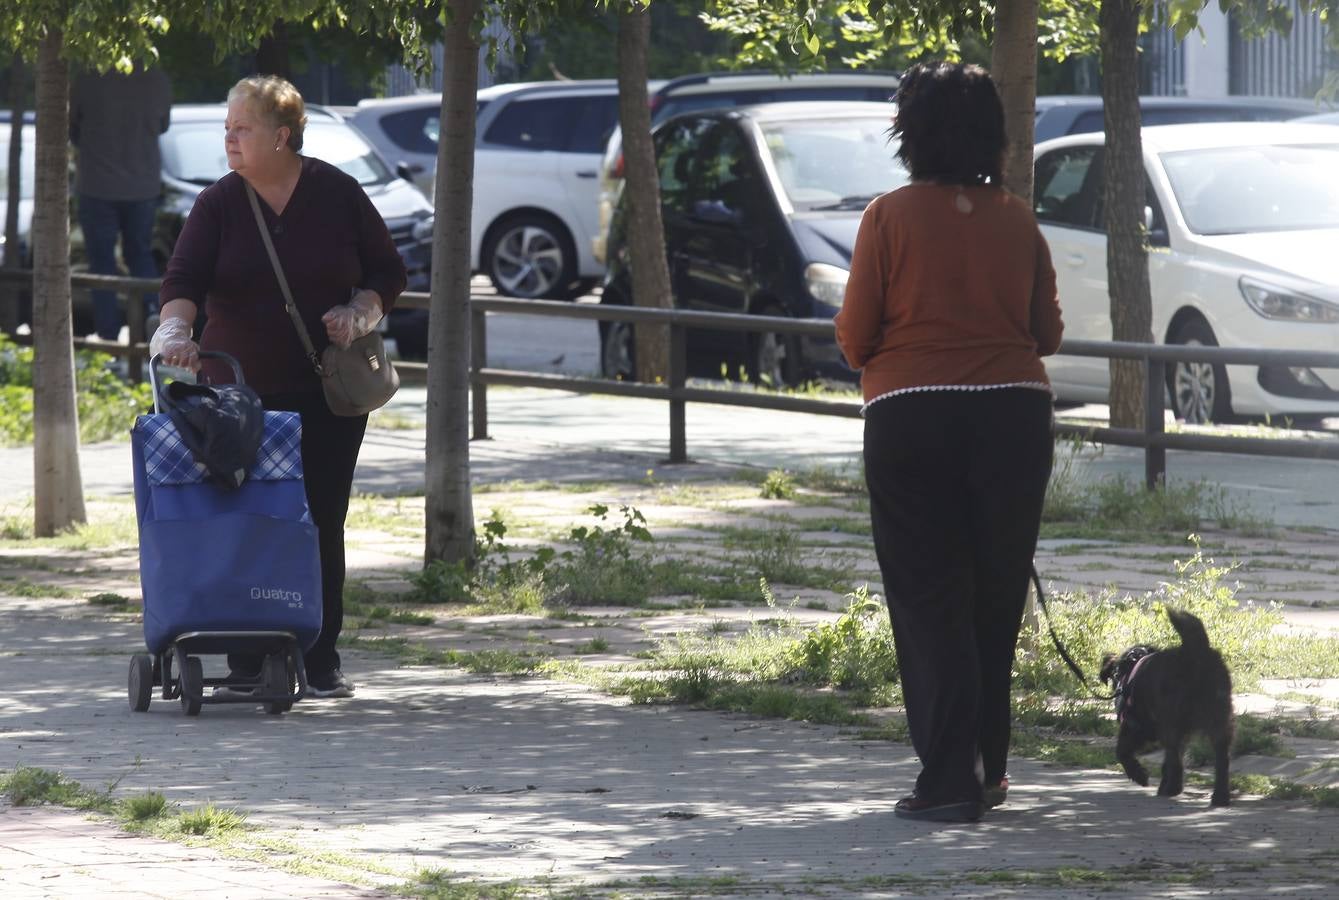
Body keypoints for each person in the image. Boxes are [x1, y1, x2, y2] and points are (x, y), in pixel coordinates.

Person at [834, 61, 1064, 823]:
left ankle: (946, 781)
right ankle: (989, 771)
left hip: (911, 416)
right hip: (1013, 416)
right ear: (995, 136)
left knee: (930, 597)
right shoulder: (1017, 217)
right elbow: (1045, 332)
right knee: (994, 595)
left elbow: (854, 338)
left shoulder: (887, 217)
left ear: (910, 132)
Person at [153, 75, 407, 699]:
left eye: (243, 128)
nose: (230, 140)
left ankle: (320, 657)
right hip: (238, 398)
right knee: (247, 517)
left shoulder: (338, 193)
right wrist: (176, 331)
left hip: (326, 393)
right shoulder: (219, 202)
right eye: (227, 128)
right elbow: (182, 278)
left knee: (321, 520)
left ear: (283, 135)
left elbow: (387, 272)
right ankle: (247, 659)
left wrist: (359, 314)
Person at [70, 63, 172, 341]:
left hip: (96, 184)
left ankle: (108, 333)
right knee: (139, 254)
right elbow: (163, 125)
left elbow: (72, 129)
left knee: (101, 261)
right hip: (143, 185)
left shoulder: (87, 75)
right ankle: (150, 321)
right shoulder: (156, 76)